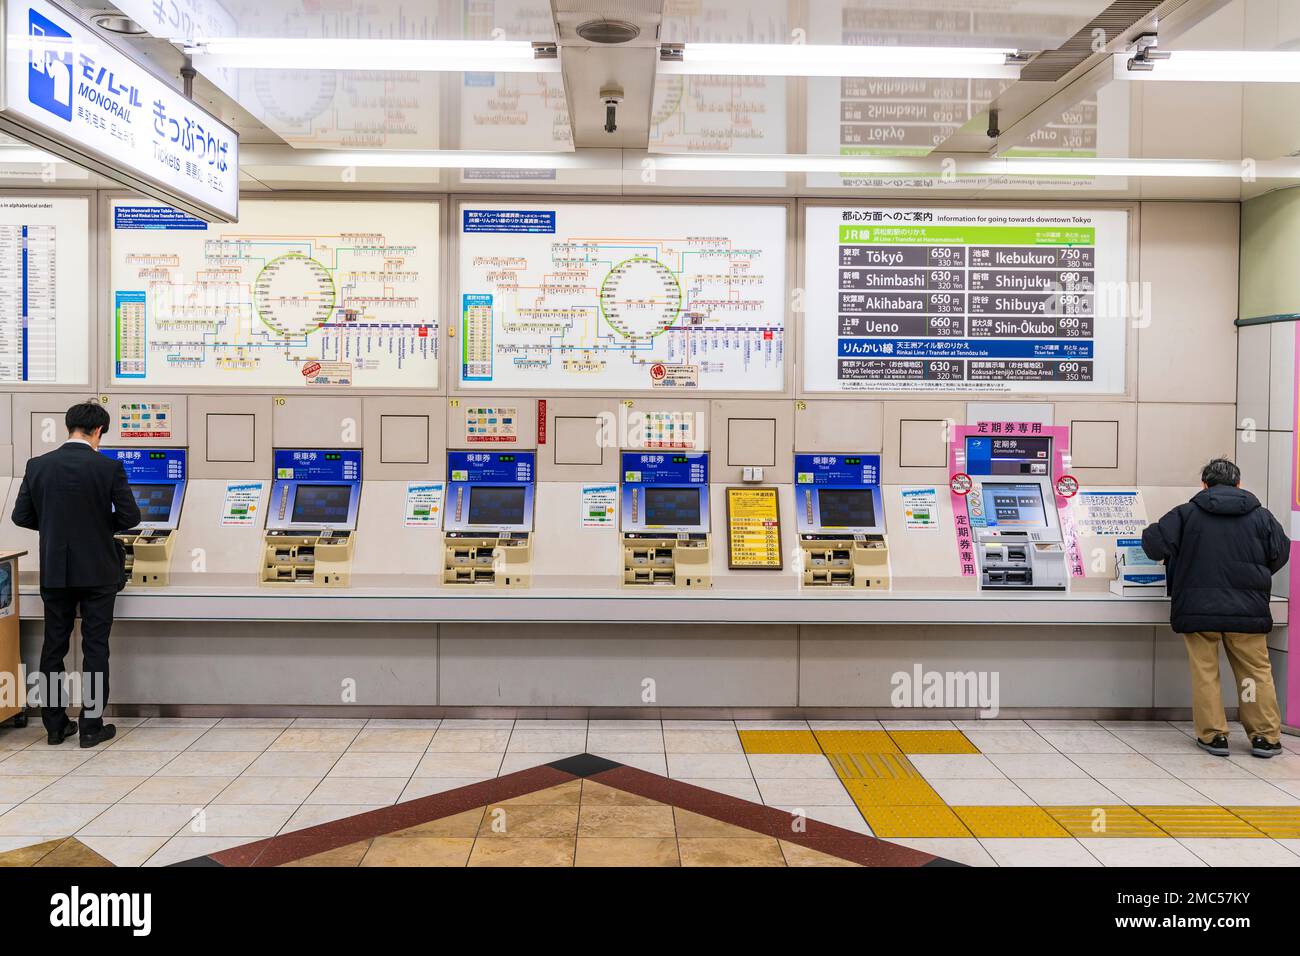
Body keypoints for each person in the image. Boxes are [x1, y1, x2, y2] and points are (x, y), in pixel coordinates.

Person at [11, 402, 139, 747]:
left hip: (55, 569)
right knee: (95, 647)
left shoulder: (37, 466)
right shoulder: (108, 467)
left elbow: (20, 516)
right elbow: (130, 518)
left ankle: (54, 726)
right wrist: (97, 527)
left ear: (70, 427)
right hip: (98, 571)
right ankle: (91, 726)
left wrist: (55, 528)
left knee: (53, 646)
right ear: (98, 431)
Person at [1141, 458, 1288, 758]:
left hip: (1198, 608)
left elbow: (1153, 544)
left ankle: (1214, 736)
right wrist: (1254, 578)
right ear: (1239, 484)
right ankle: (1265, 737)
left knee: (1205, 671)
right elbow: (1280, 552)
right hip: (1247, 609)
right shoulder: (1262, 516)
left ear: (1204, 485)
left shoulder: (1186, 513)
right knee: (1255, 672)